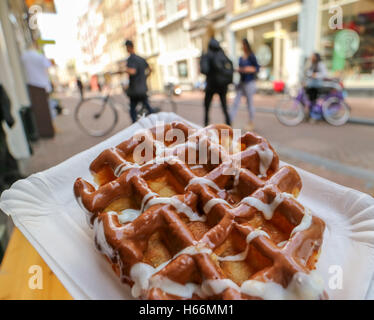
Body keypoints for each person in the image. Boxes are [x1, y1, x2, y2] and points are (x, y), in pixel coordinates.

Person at [22, 42, 54, 138]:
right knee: (45, 111)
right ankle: (48, 132)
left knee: (40, 112)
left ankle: (44, 132)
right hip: (42, 85)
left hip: (32, 86)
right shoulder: (39, 56)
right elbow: (48, 64)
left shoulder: (24, 56)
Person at [200, 38, 233, 126]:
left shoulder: (207, 55)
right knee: (224, 107)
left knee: (207, 108)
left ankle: (206, 126)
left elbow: (204, 70)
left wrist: (203, 59)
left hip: (211, 85)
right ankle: (229, 125)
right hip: (223, 86)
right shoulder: (222, 54)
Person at [230, 39, 260, 131]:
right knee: (235, 102)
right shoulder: (240, 58)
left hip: (249, 82)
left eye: (243, 44)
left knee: (249, 103)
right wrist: (238, 69)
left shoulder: (251, 56)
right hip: (241, 83)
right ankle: (230, 121)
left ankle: (251, 122)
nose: (242, 46)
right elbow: (240, 68)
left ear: (246, 45)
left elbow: (257, 68)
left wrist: (248, 69)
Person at [124, 40, 155, 123]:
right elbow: (151, 69)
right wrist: (145, 77)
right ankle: (155, 119)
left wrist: (124, 69)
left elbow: (133, 71)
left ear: (128, 47)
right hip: (143, 88)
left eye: (126, 48)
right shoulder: (141, 58)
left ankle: (135, 126)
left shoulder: (131, 59)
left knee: (132, 111)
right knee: (147, 106)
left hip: (135, 90)